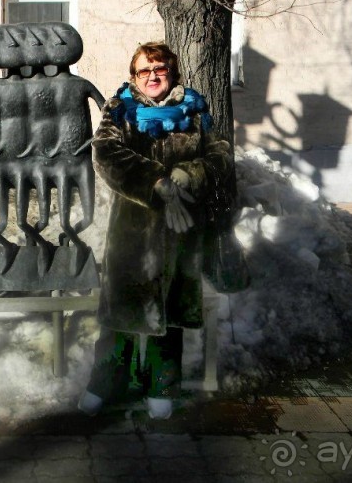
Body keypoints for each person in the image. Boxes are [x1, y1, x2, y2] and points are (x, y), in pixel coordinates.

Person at [78, 41, 233, 419]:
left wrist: (188, 174)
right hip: (133, 234)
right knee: (121, 316)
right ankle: (106, 383)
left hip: (181, 234)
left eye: (159, 69)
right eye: (144, 70)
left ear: (172, 73)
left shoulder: (195, 110)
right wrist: (157, 183)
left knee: (171, 316)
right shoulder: (121, 109)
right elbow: (106, 153)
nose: (152, 76)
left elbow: (219, 156)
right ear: (134, 76)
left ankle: (162, 384)